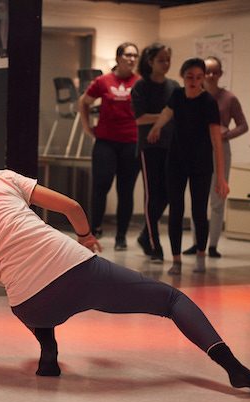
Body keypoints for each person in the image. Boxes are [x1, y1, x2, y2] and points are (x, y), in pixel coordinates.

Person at [0, 130, 250, 395]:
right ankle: (233, 367)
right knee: (169, 300)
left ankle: (48, 354)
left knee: (24, 298)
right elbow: (73, 207)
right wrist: (85, 236)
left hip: (32, 304)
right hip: (77, 270)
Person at [147, 58, 228, 275]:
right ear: (183, 77)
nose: (194, 81)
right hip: (176, 161)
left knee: (199, 210)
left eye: (198, 77)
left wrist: (221, 176)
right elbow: (166, 112)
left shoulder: (208, 102)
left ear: (203, 79)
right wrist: (156, 128)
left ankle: (201, 255)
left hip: (201, 163)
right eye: (190, 77)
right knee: (176, 209)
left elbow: (216, 141)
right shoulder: (177, 96)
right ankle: (176, 259)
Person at [183, 56, 248, 258]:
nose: (211, 76)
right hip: (197, 150)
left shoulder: (229, 98)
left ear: (220, 74)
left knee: (217, 199)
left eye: (215, 72)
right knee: (198, 198)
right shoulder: (191, 96)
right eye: (207, 71)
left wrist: (225, 134)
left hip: (220, 149)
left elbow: (243, 125)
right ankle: (197, 242)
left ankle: (212, 245)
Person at [78, 42, 141, 250]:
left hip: (131, 142)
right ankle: (94, 229)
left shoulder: (140, 82)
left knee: (126, 190)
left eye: (135, 56)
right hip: (106, 142)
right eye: (127, 55)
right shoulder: (103, 81)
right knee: (101, 186)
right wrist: (87, 127)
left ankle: (121, 236)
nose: (131, 59)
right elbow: (84, 102)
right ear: (118, 57)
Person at [131, 43, 179, 263]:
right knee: (152, 195)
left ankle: (144, 235)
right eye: (161, 60)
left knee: (169, 194)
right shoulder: (141, 87)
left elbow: (179, 113)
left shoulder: (174, 86)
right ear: (150, 62)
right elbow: (140, 118)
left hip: (171, 145)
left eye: (168, 59)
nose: (166, 64)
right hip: (149, 148)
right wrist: (164, 116)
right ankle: (154, 242)